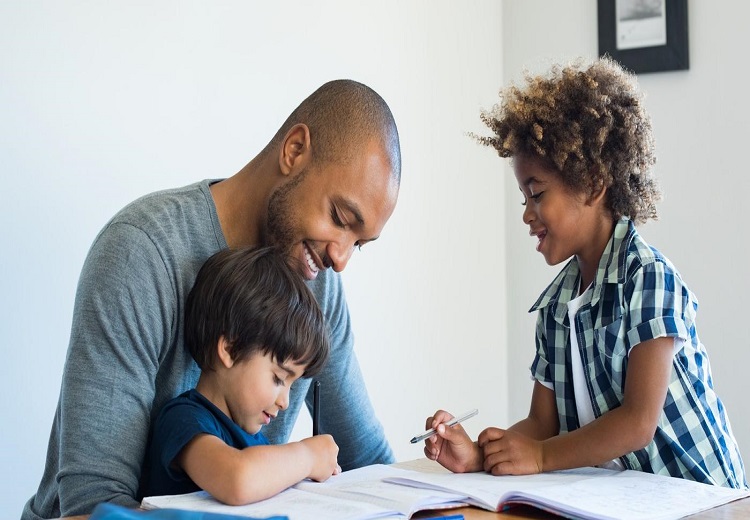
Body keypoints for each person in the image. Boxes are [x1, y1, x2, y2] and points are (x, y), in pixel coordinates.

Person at [23, 79, 401, 519]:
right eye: (339, 218)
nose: (341, 259)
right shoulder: (141, 254)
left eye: (360, 243)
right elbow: (95, 504)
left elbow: (368, 459)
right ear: (294, 150)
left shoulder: (317, 287)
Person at [423, 57, 747, 489]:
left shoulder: (647, 279)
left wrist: (539, 457)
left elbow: (637, 423)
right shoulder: (556, 308)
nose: (526, 214)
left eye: (536, 194)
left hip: (706, 499)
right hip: (629, 500)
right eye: (523, 197)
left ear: (594, 182)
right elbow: (542, 422)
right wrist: (481, 456)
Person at [145, 246, 339, 504]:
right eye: (279, 378)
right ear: (230, 349)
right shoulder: (183, 420)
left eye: (291, 386)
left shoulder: (256, 443)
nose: (285, 402)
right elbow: (236, 480)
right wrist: (307, 456)